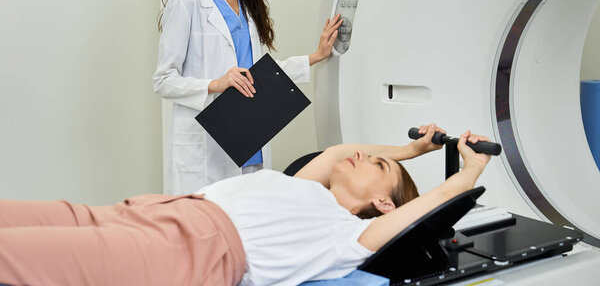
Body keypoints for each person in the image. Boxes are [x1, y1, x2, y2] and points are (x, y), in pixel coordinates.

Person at [0, 124, 493, 286]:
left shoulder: (344, 238)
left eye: (379, 166)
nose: (364, 153)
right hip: (154, 211)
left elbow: (430, 206)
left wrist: (467, 172)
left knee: (19, 259)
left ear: (384, 203)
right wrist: (410, 151)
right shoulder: (303, 186)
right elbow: (340, 153)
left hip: (189, 251)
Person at [153, 0, 342, 194]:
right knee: (208, 229)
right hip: (206, 148)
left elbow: (259, 75)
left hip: (250, 139)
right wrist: (215, 84)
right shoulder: (186, 2)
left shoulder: (247, 2)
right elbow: (164, 81)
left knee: (248, 227)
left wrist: (316, 56)